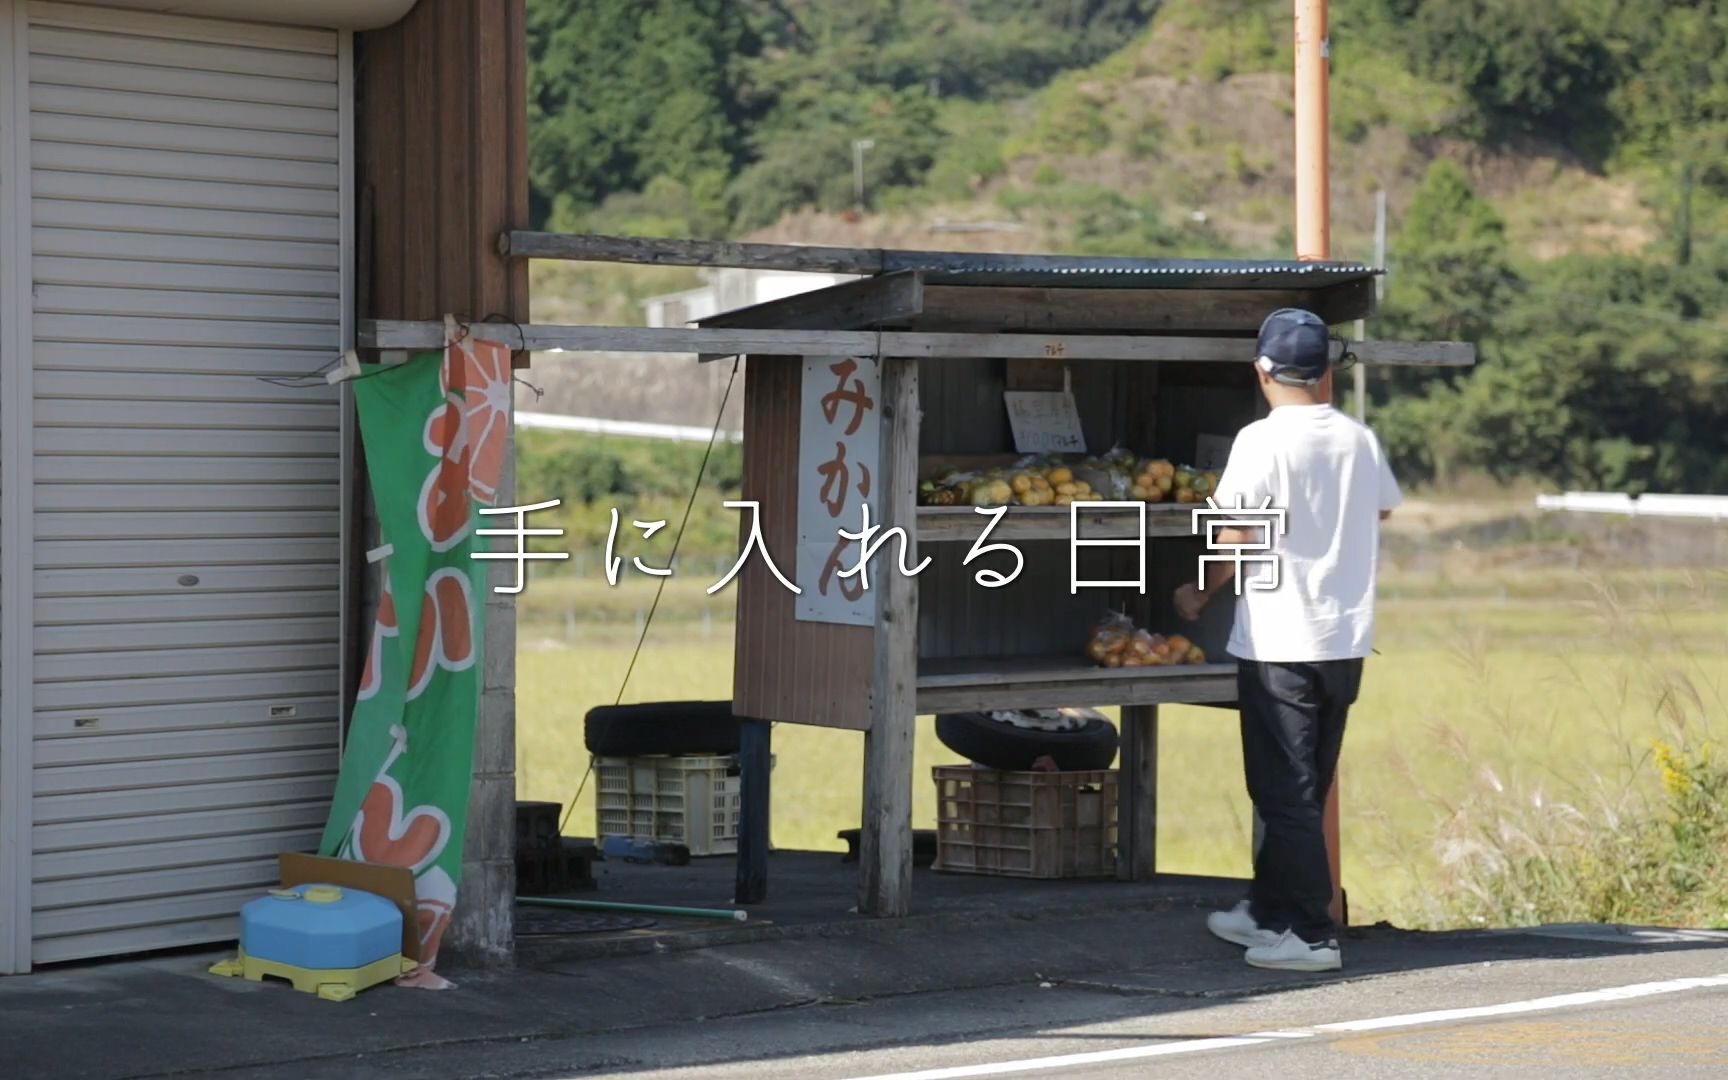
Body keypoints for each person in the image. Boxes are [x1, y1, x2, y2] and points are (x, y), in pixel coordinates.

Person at [1172, 307, 1401, 973]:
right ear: (1325, 372)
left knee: (1284, 793)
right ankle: (1266, 911)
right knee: (1302, 786)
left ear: (1263, 371)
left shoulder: (1262, 441)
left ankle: (1311, 933)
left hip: (1281, 642)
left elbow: (1240, 532)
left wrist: (1199, 591)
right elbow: (1382, 505)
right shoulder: (1358, 439)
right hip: (1346, 640)